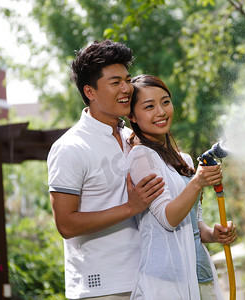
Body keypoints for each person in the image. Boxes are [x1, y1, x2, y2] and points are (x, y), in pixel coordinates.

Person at [47, 40, 165, 300]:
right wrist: (130, 208)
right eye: (115, 82)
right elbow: (65, 224)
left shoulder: (133, 138)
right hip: (101, 288)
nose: (127, 89)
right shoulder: (70, 147)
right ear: (90, 91)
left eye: (128, 79)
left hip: (148, 279)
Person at [126, 74, 235, 300]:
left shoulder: (183, 159)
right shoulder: (141, 156)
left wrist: (213, 235)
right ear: (133, 117)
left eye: (165, 102)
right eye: (149, 106)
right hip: (167, 281)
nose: (161, 112)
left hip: (200, 275)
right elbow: (168, 219)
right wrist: (197, 182)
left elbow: (194, 223)